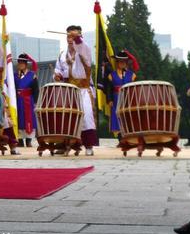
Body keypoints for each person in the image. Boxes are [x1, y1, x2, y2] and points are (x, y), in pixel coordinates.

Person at [54, 25, 98, 155]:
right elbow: (58, 69)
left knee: (86, 117)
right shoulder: (62, 55)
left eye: (73, 36)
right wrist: (57, 75)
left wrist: (77, 37)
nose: (70, 39)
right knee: (65, 117)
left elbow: (80, 45)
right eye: (68, 36)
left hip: (83, 90)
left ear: (80, 37)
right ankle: (65, 144)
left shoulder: (84, 51)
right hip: (68, 89)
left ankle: (89, 146)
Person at [108, 50, 138, 140]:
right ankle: (120, 138)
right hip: (116, 98)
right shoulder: (111, 75)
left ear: (126, 63)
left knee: (127, 116)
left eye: (124, 62)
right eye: (120, 62)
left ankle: (128, 137)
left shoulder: (132, 75)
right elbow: (109, 89)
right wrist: (109, 100)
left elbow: (134, 89)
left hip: (128, 98)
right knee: (117, 117)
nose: (122, 63)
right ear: (117, 63)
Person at [14, 53, 39, 148]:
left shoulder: (32, 75)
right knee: (19, 119)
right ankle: (20, 140)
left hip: (29, 100)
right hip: (18, 100)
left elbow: (36, 90)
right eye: (19, 63)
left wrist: (36, 102)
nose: (20, 64)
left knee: (29, 119)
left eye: (22, 63)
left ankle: (29, 140)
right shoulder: (15, 75)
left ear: (26, 64)